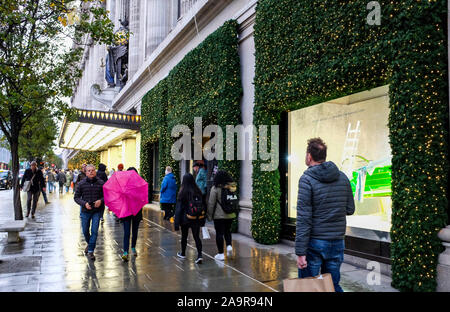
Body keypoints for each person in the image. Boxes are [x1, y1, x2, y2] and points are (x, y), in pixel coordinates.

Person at [295, 138, 355, 292]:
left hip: (315, 243)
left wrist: (300, 252)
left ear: (309, 156)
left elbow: (304, 219)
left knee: (308, 286)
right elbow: (350, 209)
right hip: (337, 242)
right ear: (324, 156)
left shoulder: (307, 179)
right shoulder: (342, 177)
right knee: (332, 285)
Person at [74, 164, 105, 261]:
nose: (91, 172)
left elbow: (107, 196)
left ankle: (91, 251)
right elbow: (76, 197)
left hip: (96, 211)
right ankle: (90, 244)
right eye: (89, 171)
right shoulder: (81, 183)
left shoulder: (101, 183)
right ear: (86, 172)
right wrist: (84, 204)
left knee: (95, 231)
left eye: (92, 170)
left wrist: (101, 201)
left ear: (95, 171)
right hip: (85, 211)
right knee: (85, 231)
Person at [174, 173, 204, 264]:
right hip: (196, 218)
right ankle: (199, 255)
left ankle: (183, 253)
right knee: (196, 237)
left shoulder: (182, 192)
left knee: (184, 236)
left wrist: (176, 223)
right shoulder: (198, 191)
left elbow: (178, 209)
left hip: (185, 219)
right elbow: (203, 206)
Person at [207, 170, 237, 261]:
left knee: (219, 233)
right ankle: (229, 246)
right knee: (227, 231)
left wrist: (209, 216)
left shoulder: (215, 188)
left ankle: (220, 254)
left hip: (219, 216)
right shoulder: (232, 187)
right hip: (230, 214)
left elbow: (211, 203)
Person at [120, 167, 143, 262]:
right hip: (126, 211)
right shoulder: (123, 185)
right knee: (126, 232)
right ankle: (125, 251)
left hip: (136, 211)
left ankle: (133, 247)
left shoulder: (140, 185)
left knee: (135, 231)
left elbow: (143, 198)